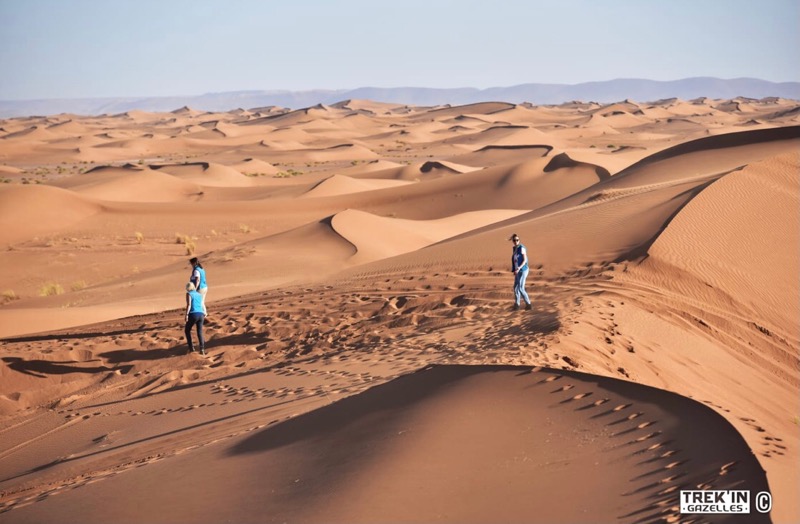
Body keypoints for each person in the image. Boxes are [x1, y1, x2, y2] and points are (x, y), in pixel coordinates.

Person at [510, 233, 532, 310]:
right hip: (517, 271)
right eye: (514, 240)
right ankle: (517, 305)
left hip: (523, 270)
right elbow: (515, 260)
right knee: (515, 287)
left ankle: (528, 305)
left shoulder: (521, 248)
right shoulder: (514, 248)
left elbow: (525, 259)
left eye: (517, 240)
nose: (516, 241)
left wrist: (519, 268)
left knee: (521, 288)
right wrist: (515, 269)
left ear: (519, 240)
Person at [184, 281, 206, 355]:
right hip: (201, 314)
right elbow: (202, 304)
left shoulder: (189, 294)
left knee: (187, 330)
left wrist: (186, 314)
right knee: (199, 332)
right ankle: (202, 349)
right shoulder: (199, 294)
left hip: (193, 314)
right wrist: (205, 312)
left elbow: (189, 305)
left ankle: (191, 348)